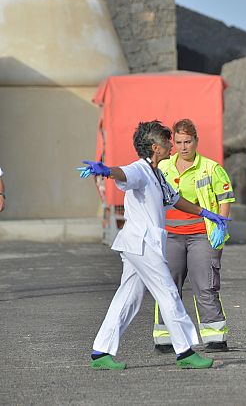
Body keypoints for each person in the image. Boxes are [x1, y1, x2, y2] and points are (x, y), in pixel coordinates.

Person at [79, 120, 230, 370]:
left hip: (138, 245)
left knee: (129, 298)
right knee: (168, 293)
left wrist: (207, 213)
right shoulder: (140, 169)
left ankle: (100, 351)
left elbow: (176, 200)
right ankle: (185, 352)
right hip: (142, 245)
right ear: (154, 147)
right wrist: (106, 171)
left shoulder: (157, 173)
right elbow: (124, 173)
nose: (171, 145)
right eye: (166, 141)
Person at [151, 119, 235, 353]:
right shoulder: (163, 168)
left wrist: (222, 226)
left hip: (201, 235)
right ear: (173, 143)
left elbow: (224, 199)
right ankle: (165, 338)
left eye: (188, 141)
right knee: (167, 286)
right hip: (170, 236)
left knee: (205, 285)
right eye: (178, 142)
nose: (183, 147)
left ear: (196, 141)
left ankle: (216, 337)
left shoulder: (211, 168)